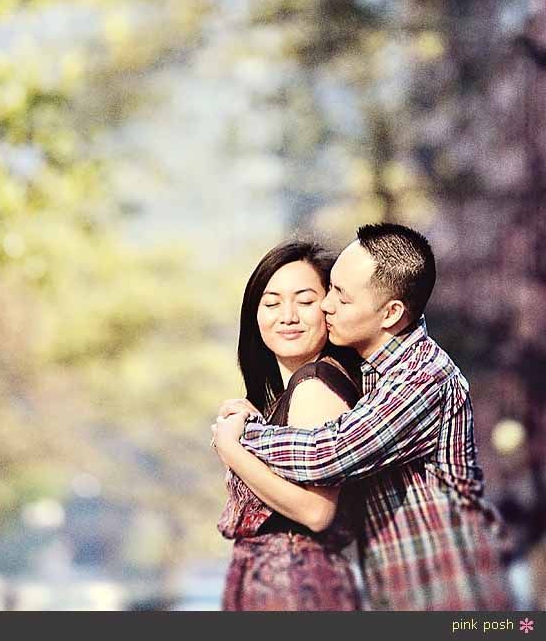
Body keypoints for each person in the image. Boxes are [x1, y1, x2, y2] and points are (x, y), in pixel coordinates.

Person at [214, 223, 513, 611]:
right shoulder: (373, 369)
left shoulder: (421, 377)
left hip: (454, 591)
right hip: (403, 591)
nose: (326, 305)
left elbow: (329, 453)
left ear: (390, 313)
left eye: (338, 295)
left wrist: (236, 439)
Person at [212, 240, 364, 611]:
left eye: (305, 300)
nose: (288, 315)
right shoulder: (297, 392)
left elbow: (316, 511)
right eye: (272, 302)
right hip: (279, 585)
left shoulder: (314, 386)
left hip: (297, 588)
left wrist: (232, 448)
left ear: (329, 308)